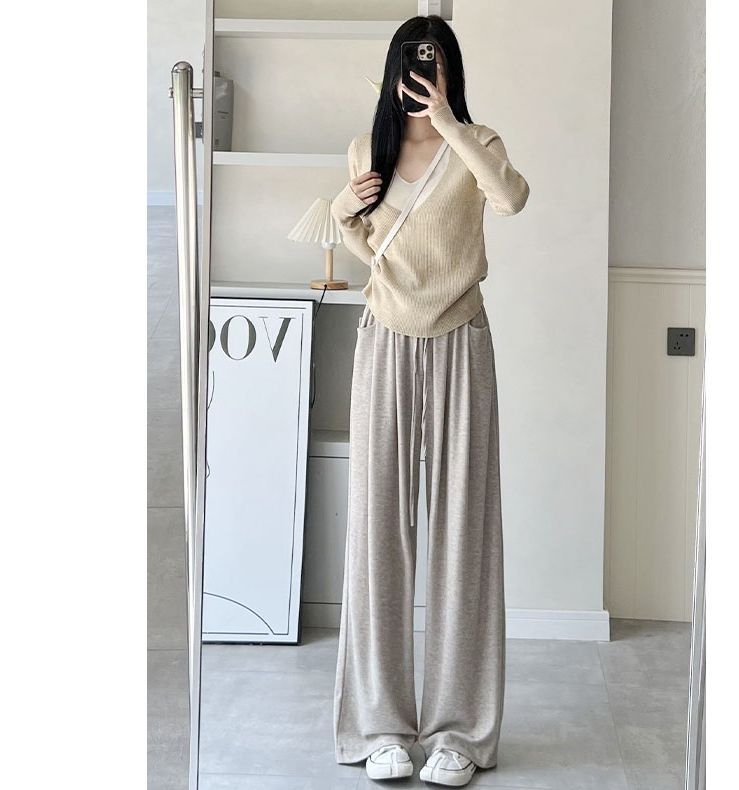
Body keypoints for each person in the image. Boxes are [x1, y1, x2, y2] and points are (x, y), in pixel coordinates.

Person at [330, 14, 529, 788]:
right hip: (385, 341)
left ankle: (459, 732)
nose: (421, 74)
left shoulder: (481, 142)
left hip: (460, 341)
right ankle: (381, 726)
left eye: (435, 63)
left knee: (462, 533)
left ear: (450, 72)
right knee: (378, 529)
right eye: (412, 63)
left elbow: (510, 199)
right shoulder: (366, 150)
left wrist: (449, 123)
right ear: (393, 71)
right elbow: (369, 251)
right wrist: (345, 211)